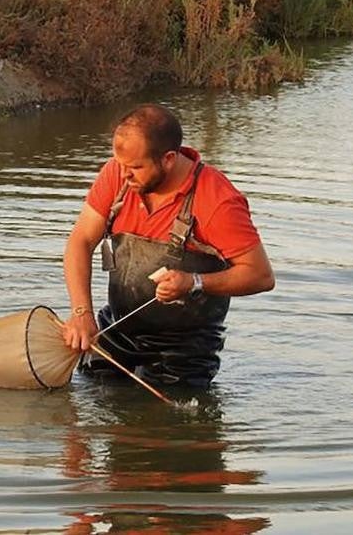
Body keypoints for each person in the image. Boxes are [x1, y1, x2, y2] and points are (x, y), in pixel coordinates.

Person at [61, 104, 275, 387]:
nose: (123, 175)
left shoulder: (217, 200)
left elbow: (261, 275)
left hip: (185, 351)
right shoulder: (119, 172)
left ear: (169, 159)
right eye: (119, 164)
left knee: (164, 424)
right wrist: (81, 314)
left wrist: (194, 281)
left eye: (135, 167)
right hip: (117, 329)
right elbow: (81, 240)